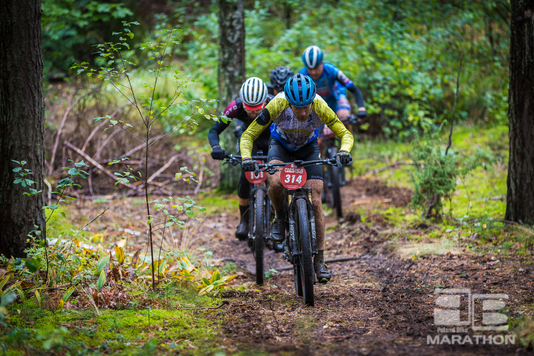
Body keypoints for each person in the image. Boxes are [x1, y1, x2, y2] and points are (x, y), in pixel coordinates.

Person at [240, 74, 354, 283]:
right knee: (274, 182)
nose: (302, 112)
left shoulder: (320, 106)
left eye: (306, 107)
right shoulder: (277, 104)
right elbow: (248, 135)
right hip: (280, 146)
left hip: (308, 148)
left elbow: (345, 134)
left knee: (316, 200)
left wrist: (344, 151)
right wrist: (246, 157)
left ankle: (319, 259)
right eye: (297, 108)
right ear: (288, 102)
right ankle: (281, 217)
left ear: (312, 101)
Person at [208, 77, 273, 241]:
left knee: (276, 177)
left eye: (257, 110)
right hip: (248, 140)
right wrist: (216, 148)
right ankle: (244, 220)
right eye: (249, 109)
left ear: (265, 102)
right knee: (246, 175)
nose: (252, 114)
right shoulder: (234, 107)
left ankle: (280, 220)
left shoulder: (274, 104)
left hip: (272, 139)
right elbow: (214, 130)